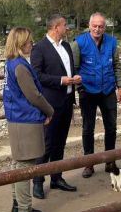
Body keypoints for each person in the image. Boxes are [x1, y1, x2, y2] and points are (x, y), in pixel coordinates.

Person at [2, 27, 53, 212]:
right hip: (25, 120)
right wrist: (49, 111)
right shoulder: (21, 67)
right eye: (29, 41)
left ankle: (18, 205)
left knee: (18, 163)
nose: (32, 44)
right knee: (25, 167)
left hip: (16, 118)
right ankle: (25, 211)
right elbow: (34, 95)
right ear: (21, 43)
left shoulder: (10, 64)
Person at [30, 14, 82, 199]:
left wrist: (74, 77)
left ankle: (56, 177)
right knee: (47, 143)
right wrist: (60, 80)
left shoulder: (66, 46)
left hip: (67, 101)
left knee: (60, 142)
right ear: (55, 28)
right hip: (50, 104)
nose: (67, 28)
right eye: (64, 25)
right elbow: (36, 75)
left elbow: (69, 69)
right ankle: (37, 181)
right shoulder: (39, 48)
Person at [71, 12, 121, 178]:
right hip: (88, 90)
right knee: (88, 128)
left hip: (108, 89)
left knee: (111, 126)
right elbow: (74, 68)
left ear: (105, 27)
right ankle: (89, 162)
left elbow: (116, 65)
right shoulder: (79, 43)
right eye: (94, 26)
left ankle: (110, 160)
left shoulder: (112, 42)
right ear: (89, 25)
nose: (97, 29)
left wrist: (120, 86)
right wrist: (80, 88)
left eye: (101, 26)